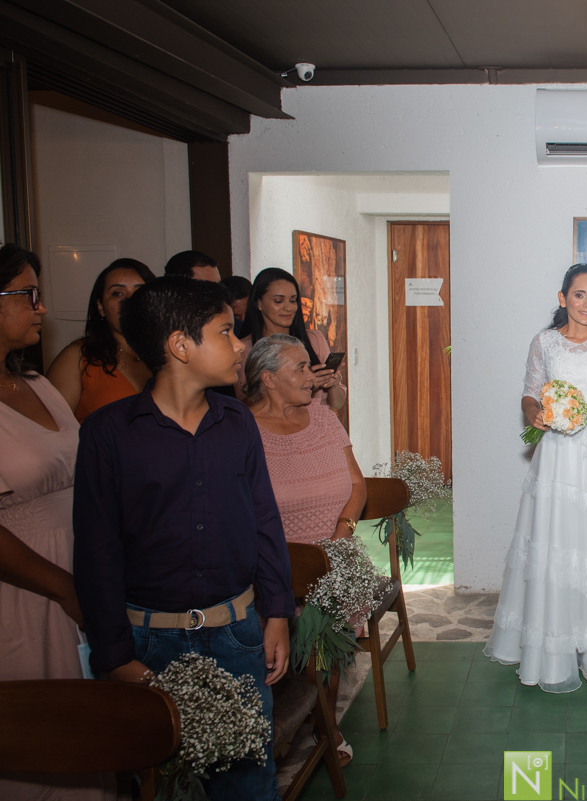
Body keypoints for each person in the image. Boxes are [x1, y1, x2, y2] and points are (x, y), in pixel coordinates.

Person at [73, 276, 293, 801]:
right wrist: (115, 655)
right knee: (163, 786)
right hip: (149, 645)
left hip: (236, 634)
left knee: (246, 782)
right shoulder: (108, 434)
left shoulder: (237, 422)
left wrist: (278, 612)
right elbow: (96, 551)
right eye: (225, 331)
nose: (241, 344)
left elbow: (264, 519)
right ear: (179, 345)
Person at [485, 263, 587, 694]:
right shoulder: (544, 342)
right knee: (557, 541)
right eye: (580, 295)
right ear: (563, 299)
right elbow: (529, 390)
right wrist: (534, 412)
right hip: (558, 453)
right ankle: (554, 647)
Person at [0, 244, 116, 801]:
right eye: (26, 295)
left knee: (91, 733)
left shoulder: (38, 384)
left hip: (77, 563)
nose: (41, 308)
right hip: (24, 587)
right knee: (41, 735)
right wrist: (62, 585)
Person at [244, 333, 365, 766]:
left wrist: (344, 529)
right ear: (269, 379)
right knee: (277, 664)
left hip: (336, 553)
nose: (311, 375)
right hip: (275, 568)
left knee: (329, 653)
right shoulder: (243, 430)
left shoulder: (324, 417)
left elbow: (357, 483)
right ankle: (273, 731)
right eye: (300, 367)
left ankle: (327, 724)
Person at [47, 258, 155, 421]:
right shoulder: (77, 358)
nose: (130, 301)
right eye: (117, 293)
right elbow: (50, 433)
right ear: (100, 308)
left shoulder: (172, 355)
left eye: (140, 292)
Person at [237, 268, 345, 411]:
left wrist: (332, 385)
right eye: (278, 301)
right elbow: (245, 406)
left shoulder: (314, 340)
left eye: (293, 301)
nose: (288, 308)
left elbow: (337, 403)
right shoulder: (244, 349)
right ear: (259, 303)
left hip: (318, 427)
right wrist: (307, 386)